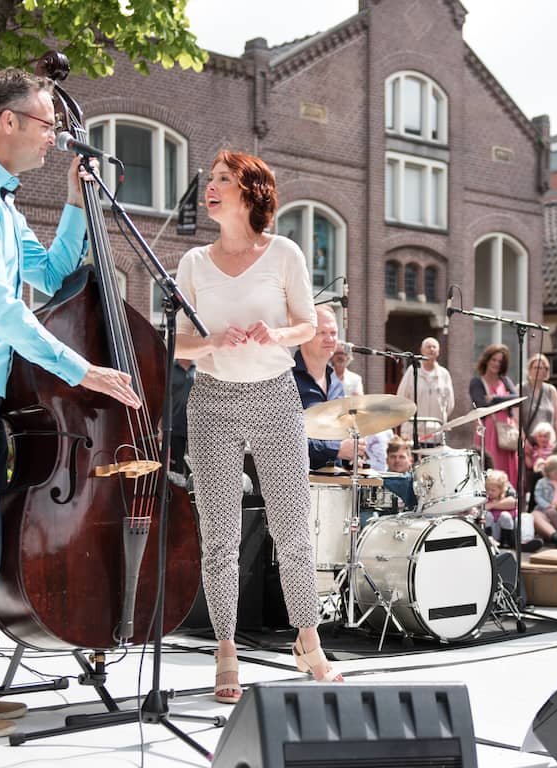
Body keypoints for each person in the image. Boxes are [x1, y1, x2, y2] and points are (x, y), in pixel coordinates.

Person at [0, 68, 144, 738]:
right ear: (7, 121)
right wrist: (81, 368)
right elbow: (1, 310)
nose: (55, 139)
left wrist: (73, 202)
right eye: (47, 125)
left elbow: (53, 273)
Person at [177, 150, 342, 704]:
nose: (211, 187)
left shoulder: (284, 253)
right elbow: (176, 344)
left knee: (293, 528)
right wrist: (213, 343)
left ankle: (308, 641)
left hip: (274, 396)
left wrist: (276, 334)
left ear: (251, 193)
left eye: (224, 180)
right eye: (211, 180)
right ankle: (226, 650)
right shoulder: (193, 263)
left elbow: (306, 324)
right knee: (219, 537)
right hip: (213, 401)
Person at [293, 306, 365, 470]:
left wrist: (352, 455)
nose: (330, 339)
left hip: (334, 484)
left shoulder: (336, 383)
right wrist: (336, 450)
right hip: (297, 484)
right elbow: (282, 438)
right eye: (322, 333)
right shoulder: (285, 381)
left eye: (333, 333)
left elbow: (339, 433)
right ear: (303, 337)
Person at [468, 344, 520, 480]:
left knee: (510, 468)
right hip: (489, 430)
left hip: (506, 431)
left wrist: (495, 398)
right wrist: (505, 401)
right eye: (493, 360)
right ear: (487, 360)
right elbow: (482, 404)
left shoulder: (505, 381)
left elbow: (517, 399)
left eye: (500, 361)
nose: (496, 364)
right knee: (491, 466)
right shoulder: (477, 382)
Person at [396, 337, 454, 444]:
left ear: (438, 351)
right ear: (422, 351)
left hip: (436, 433)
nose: (431, 349)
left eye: (434, 347)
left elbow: (450, 403)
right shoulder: (412, 371)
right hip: (413, 431)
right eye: (428, 347)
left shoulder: (444, 374)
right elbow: (401, 397)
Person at [521, 353, 557, 440]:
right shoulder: (521, 389)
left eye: (540, 368)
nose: (537, 371)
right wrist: (523, 441)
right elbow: (516, 419)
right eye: (535, 367)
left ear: (546, 371)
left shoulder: (551, 390)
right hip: (528, 442)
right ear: (529, 370)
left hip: (548, 443)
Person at [170, 358, 196, 480]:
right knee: (176, 469)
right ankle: (178, 495)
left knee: (199, 465)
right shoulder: (170, 368)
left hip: (197, 426)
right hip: (174, 425)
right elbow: (164, 397)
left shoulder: (200, 368)